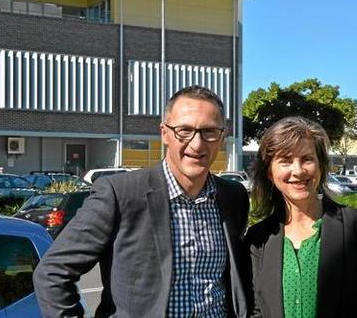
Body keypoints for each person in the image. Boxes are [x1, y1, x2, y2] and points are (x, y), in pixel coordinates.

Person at [33, 86, 250, 317]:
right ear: (164, 133)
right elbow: (52, 273)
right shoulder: (120, 194)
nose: (197, 144)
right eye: (184, 130)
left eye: (208, 131)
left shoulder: (233, 197)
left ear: (222, 136)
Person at [244, 116, 357, 318]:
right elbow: (255, 310)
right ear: (270, 173)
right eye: (285, 161)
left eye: (307, 159)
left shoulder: (356, 226)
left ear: (321, 167)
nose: (298, 171)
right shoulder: (258, 239)